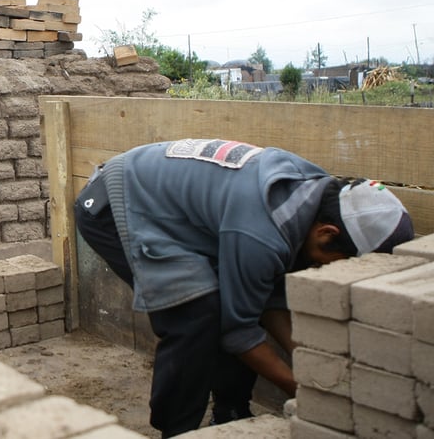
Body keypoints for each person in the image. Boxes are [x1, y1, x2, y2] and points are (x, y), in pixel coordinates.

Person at [72, 138, 414, 438]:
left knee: (228, 304)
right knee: (195, 313)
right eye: (339, 261)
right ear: (327, 234)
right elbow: (239, 331)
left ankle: (231, 414)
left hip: (168, 206)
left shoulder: (311, 194)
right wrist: (309, 394)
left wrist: (316, 364)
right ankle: (178, 429)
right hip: (115, 204)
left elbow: (266, 298)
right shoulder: (260, 230)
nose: (329, 269)